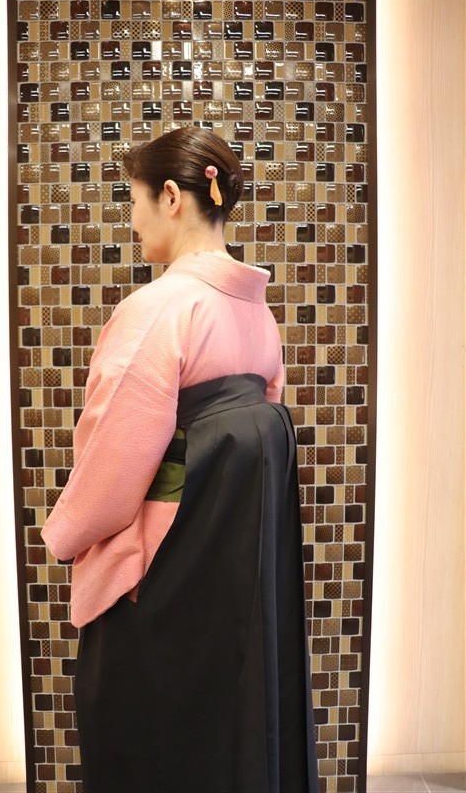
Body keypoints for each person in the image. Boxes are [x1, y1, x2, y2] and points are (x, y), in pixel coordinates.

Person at [42, 125, 319, 793]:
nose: (133, 221)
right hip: (232, 592)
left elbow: (111, 469)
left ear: (170, 196)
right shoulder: (257, 316)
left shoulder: (158, 310)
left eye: (134, 201)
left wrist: (63, 536)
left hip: (161, 588)